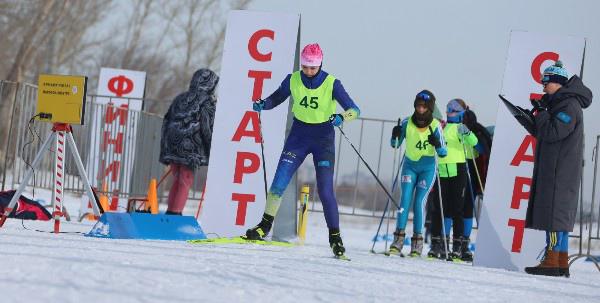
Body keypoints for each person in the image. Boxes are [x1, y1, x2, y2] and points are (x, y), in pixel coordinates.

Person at [245, 43, 361, 258]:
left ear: (320, 65)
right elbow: (276, 98)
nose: (308, 72)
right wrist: (263, 104)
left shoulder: (332, 83)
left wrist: (341, 118)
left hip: (323, 139)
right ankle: (264, 226)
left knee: (325, 190)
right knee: (279, 181)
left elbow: (355, 110)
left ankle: (335, 237)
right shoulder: (293, 79)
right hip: (298, 137)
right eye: (305, 67)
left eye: (312, 68)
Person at [524, 61, 592, 277]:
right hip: (556, 168)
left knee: (554, 216)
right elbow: (547, 132)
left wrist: (543, 113)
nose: (543, 86)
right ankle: (560, 262)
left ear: (558, 82)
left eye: (546, 82)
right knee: (558, 216)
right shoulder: (560, 104)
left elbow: (554, 132)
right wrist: (531, 118)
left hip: (559, 171)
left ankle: (551, 261)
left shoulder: (569, 105)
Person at [387, 90, 447, 257]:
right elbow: (395, 144)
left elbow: (443, 152)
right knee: (405, 198)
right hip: (410, 166)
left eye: (424, 107)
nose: (421, 110)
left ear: (430, 108)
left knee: (419, 202)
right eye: (418, 106)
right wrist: (395, 135)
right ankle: (398, 241)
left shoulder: (435, 125)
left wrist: (437, 144)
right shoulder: (407, 122)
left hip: (427, 168)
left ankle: (417, 243)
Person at [159, 68, 219, 215]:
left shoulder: (180, 98)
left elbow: (167, 119)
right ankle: (175, 214)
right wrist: (212, 149)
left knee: (178, 178)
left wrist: (165, 147)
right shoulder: (207, 102)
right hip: (191, 148)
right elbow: (207, 128)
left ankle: (170, 212)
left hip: (172, 144)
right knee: (186, 179)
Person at [428, 98, 478, 260]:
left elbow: (474, 142)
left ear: (462, 112)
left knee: (457, 209)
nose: (450, 111)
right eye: (449, 108)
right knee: (439, 208)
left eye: (455, 109)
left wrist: (467, 133)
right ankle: (437, 244)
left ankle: (457, 246)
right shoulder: (442, 126)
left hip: (458, 169)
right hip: (442, 170)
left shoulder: (460, 128)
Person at [460, 106, 493, 262]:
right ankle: (453, 240)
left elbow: (482, 149)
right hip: (457, 169)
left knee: (467, 206)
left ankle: (465, 241)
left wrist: (471, 140)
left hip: (473, 173)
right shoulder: (451, 128)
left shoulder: (479, 132)